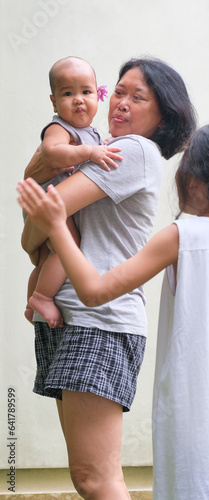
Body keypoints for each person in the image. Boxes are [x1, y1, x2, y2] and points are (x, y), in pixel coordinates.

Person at [18, 119, 209, 500]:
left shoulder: (183, 236)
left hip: (194, 412)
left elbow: (95, 292)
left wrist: (57, 227)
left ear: (193, 182)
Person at [19, 57, 197, 500]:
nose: (120, 102)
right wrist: (40, 213)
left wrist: (40, 202)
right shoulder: (95, 145)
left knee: (96, 477)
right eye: (118, 91)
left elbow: (45, 213)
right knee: (88, 475)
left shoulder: (134, 150)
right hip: (73, 316)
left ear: (163, 116)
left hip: (100, 322)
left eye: (138, 97)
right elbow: (33, 233)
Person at [25, 56, 122, 328]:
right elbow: (51, 152)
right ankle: (43, 297)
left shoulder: (90, 133)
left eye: (86, 92)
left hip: (54, 201)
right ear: (54, 102)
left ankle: (30, 301)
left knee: (46, 257)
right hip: (51, 199)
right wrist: (90, 152)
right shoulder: (58, 128)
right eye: (68, 93)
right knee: (69, 246)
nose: (78, 99)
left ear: (97, 97)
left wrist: (99, 144)